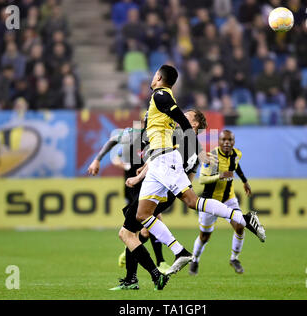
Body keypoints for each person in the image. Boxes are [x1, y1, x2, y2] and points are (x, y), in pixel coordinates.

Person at [119, 65, 265, 288]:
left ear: (159, 77)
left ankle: (244, 218)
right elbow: (173, 130)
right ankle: (180, 252)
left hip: (166, 162)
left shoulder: (160, 95)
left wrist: (196, 150)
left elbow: (183, 121)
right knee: (142, 214)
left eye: (154, 74)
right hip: (158, 162)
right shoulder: (162, 105)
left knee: (191, 201)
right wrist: (141, 175)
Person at [107, 109, 209, 290]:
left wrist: (139, 177)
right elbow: (189, 182)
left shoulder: (178, 138)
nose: (182, 116)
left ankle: (156, 274)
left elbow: (159, 158)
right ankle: (132, 278)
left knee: (127, 233)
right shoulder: (195, 149)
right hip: (166, 194)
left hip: (156, 190)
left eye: (187, 116)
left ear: (194, 124)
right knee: (135, 232)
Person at [87, 119, 170, 273]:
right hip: (134, 188)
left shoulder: (158, 139)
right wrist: (97, 160)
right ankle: (151, 260)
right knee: (143, 226)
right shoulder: (132, 135)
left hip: (147, 186)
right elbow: (113, 143)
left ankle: (140, 257)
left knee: (148, 225)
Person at [189, 130, 255, 276]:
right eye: (223, 140)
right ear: (218, 141)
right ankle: (195, 259)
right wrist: (220, 175)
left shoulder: (236, 154)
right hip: (210, 202)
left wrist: (245, 181)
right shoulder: (212, 157)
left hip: (228, 199)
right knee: (204, 236)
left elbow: (236, 166)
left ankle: (234, 258)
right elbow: (202, 180)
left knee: (240, 226)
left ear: (234, 142)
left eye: (230, 140)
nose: (227, 142)